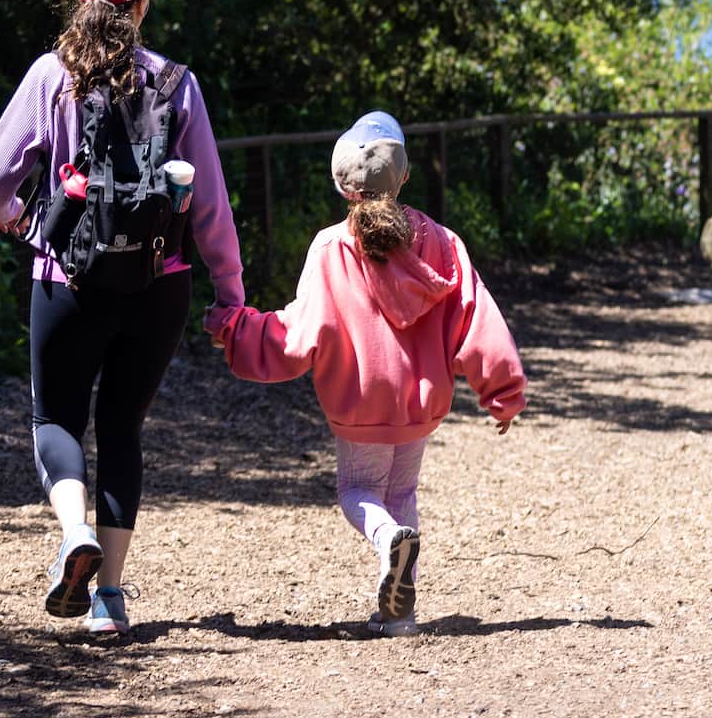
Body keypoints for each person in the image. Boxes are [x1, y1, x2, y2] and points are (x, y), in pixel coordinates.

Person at [0, 0, 243, 639]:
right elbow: (211, 204)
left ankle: (74, 534)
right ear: (141, 2)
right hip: (160, 283)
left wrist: (22, 222)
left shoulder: (50, 77)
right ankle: (111, 599)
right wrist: (230, 292)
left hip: (68, 279)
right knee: (122, 428)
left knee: (56, 423)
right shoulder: (177, 83)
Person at [208, 111, 524, 635]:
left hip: (359, 399)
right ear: (404, 176)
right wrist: (503, 388)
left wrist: (237, 330)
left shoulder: (331, 247)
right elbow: (476, 316)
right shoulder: (442, 242)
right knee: (402, 493)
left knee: (358, 489)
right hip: (420, 400)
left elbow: (299, 332)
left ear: (342, 184)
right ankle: (401, 615)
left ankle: (386, 540)